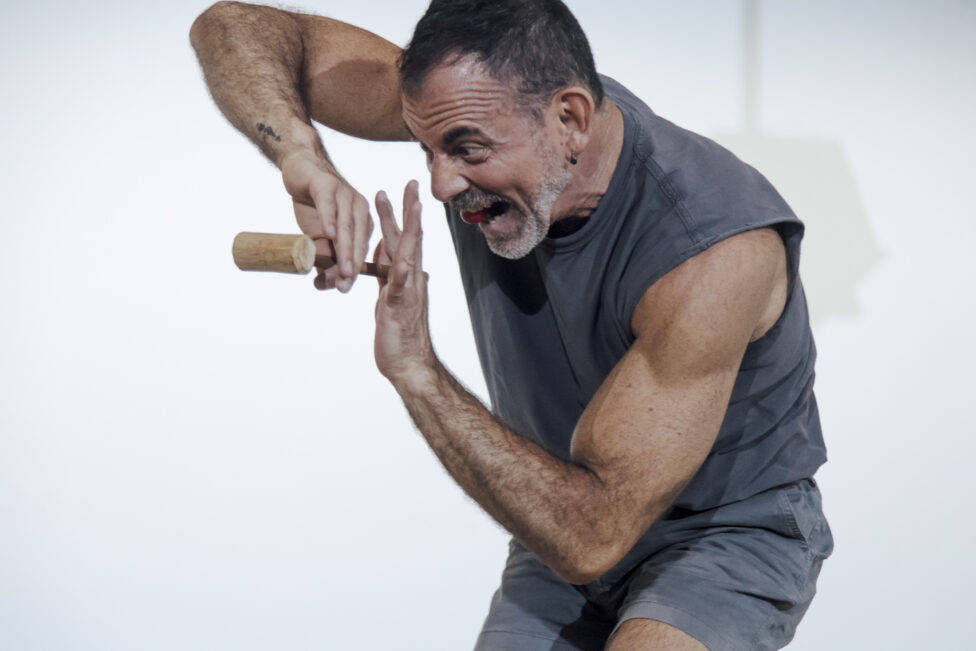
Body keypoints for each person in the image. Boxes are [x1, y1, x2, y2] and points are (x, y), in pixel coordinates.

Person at [190, 1, 833, 649]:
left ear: (571, 119)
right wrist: (302, 157)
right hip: (560, 518)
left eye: (467, 150)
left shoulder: (710, 250)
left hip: (718, 533)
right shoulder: (479, 106)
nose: (442, 183)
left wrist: (417, 370)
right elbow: (232, 27)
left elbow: (594, 532)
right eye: (425, 147)